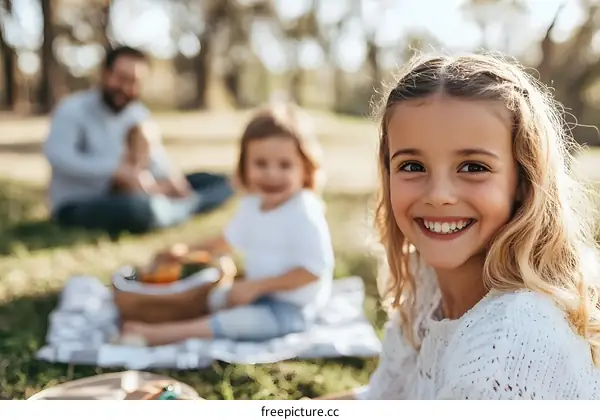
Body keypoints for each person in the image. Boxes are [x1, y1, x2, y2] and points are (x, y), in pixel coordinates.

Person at [318, 53, 600, 400]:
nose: (438, 196)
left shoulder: (506, 345)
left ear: (523, 182)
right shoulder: (424, 284)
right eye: (412, 166)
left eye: (472, 167)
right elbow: (382, 397)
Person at [120, 102, 335, 345]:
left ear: (305, 169)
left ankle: (159, 335)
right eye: (260, 164)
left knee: (239, 322)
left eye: (285, 165)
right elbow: (226, 241)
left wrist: (258, 286)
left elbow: (314, 270)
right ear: (244, 166)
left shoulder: (304, 211)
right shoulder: (252, 204)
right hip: (256, 292)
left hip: (293, 307)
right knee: (212, 298)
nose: (271, 174)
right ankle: (161, 317)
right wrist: (184, 251)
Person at [43, 45, 234, 235]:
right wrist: (115, 172)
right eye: (122, 79)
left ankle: (182, 204)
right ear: (105, 74)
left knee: (222, 182)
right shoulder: (72, 110)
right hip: (80, 203)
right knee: (139, 209)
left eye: (134, 82)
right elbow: (59, 157)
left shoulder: (136, 113)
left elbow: (155, 156)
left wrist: (173, 179)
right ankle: (189, 207)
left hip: (137, 191)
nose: (126, 88)